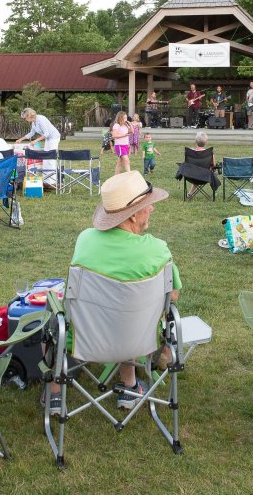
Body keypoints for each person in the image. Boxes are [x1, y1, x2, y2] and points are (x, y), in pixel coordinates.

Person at [47, 170, 182, 413]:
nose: (152, 209)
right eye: (147, 205)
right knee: (130, 315)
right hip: (140, 338)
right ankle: (129, 386)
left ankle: (55, 394)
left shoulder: (85, 239)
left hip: (85, 337)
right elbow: (172, 296)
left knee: (52, 316)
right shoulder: (158, 250)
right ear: (131, 217)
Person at [16, 107, 61, 184]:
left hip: (54, 138)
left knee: (50, 159)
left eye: (25, 118)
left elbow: (47, 133)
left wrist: (35, 141)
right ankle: (46, 180)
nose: (25, 120)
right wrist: (21, 139)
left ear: (29, 116)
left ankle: (52, 181)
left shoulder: (41, 119)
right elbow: (31, 133)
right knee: (46, 159)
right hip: (48, 139)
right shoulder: (34, 122)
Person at [109, 111, 131, 175]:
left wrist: (130, 125)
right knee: (127, 161)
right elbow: (114, 135)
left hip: (125, 145)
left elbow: (131, 132)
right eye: (124, 118)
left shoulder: (125, 125)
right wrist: (124, 135)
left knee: (120, 163)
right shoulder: (116, 125)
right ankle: (129, 176)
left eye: (126, 117)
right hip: (120, 146)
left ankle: (115, 176)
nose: (126, 119)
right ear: (120, 118)